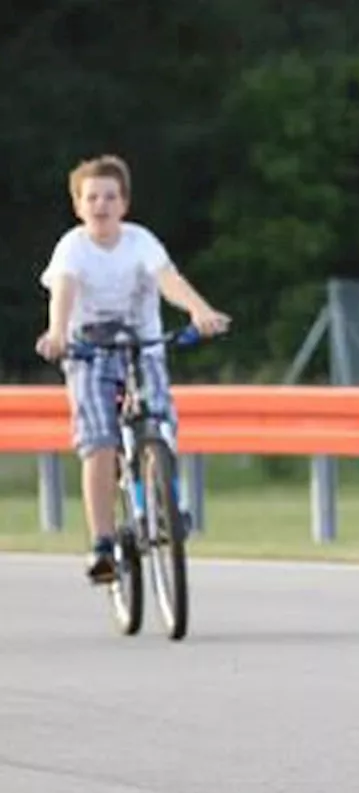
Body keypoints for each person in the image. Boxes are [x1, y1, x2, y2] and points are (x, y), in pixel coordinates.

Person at [34, 154, 231, 584]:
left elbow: (167, 280)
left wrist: (202, 312)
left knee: (159, 419)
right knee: (99, 440)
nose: (101, 205)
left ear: (124, 203)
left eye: (110, 196)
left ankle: (165, 499)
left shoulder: (140, 241)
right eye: (92, 197)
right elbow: (63, 292)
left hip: (142, 346)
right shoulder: (73, 248)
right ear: (78, 205)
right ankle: (103, 542)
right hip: (89, 350)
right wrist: (57, 333)